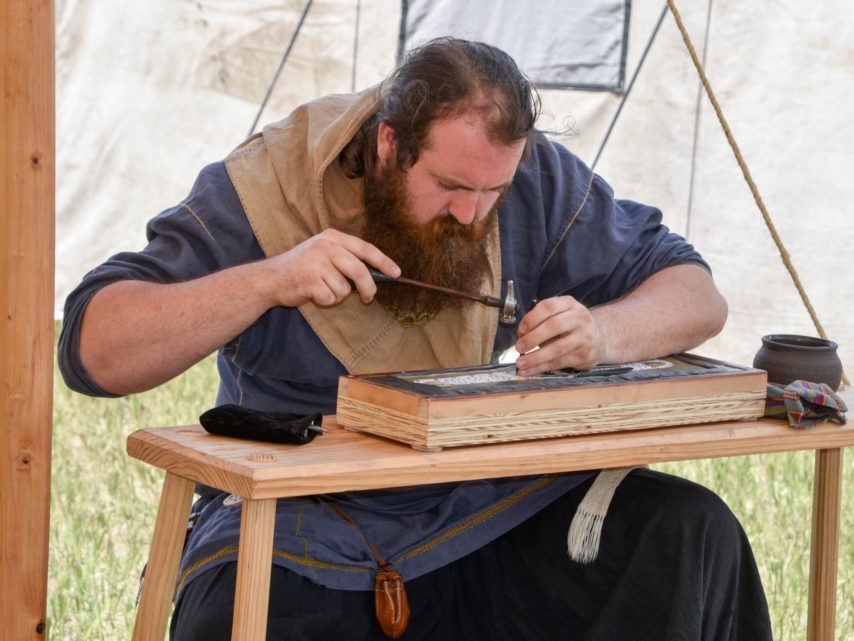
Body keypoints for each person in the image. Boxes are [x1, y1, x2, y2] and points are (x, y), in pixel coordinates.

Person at [59, 38, 771, 640]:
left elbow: (696, 294)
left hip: (481, 509)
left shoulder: (521, 176)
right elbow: (95, 349)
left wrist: (601, 331)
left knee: (686, 532)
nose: (472, 212)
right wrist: (268, 280)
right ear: (388, 143)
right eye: (451, 185)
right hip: (302, 526)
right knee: (249, 610)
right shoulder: (266, 187)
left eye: (493, 192)